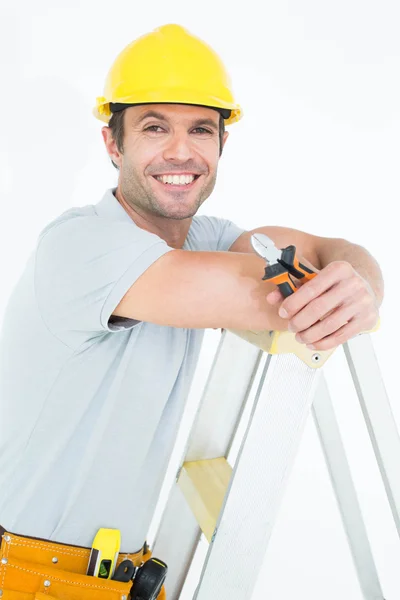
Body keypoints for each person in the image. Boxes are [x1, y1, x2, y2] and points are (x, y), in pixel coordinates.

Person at [0, 23, 383, 598]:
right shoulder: (81, 244)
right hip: (31, 578)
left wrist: (363, 283)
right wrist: (334, 288)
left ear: (221, 145)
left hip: (115, 573)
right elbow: (268, 291)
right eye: (155, 128)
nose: (181, 151)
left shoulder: (204, 237)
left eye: (201, 129)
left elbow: (333, 251)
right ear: (113, 143)